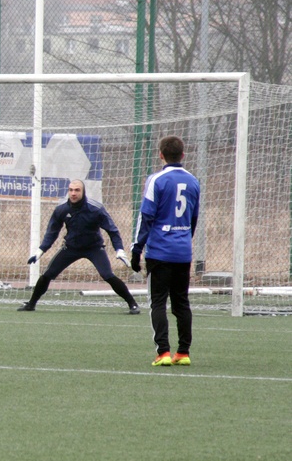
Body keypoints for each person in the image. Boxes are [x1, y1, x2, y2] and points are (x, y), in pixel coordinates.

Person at [18, 179, 139, 314]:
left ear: (83, 191)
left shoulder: (96, 209)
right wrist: (41, 250)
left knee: (107, 275)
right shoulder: (61, 210)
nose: (73, 193)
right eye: (70, 190)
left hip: (94, 248)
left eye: (77, 190)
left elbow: (112, 230)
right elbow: (52, 233)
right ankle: (31, 304)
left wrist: (119, 249)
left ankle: (132, 304)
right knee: (47, 274)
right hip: (71, 248)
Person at [131, 135, 200, 367]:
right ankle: (183, 352)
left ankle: (163, 352)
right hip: (183, 252)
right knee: (181, 302)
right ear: (183, 155)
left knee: (158, 302)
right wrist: (183, 240)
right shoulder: (193, 181)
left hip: (160, 252)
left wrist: (136, 249)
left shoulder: (156, 180)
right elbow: (193, 218)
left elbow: (146, 216)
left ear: (161, 154)